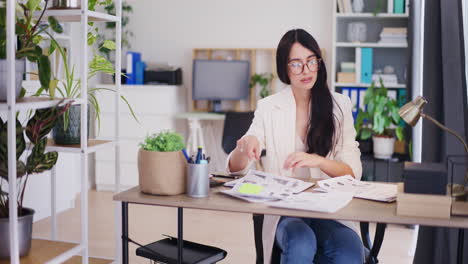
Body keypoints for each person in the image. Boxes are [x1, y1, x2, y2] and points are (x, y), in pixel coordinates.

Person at [226, 29, 364, 264]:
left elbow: (353, 172)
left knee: (350, 250)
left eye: (311, 61)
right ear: (284, 69)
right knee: (301, 242)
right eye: (297, 64)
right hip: (285, 212)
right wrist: (244, 147)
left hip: (328, 210)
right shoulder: (269, 107)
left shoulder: (339, 106)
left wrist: (318, 161)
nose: (307, 70)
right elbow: (235, 168)